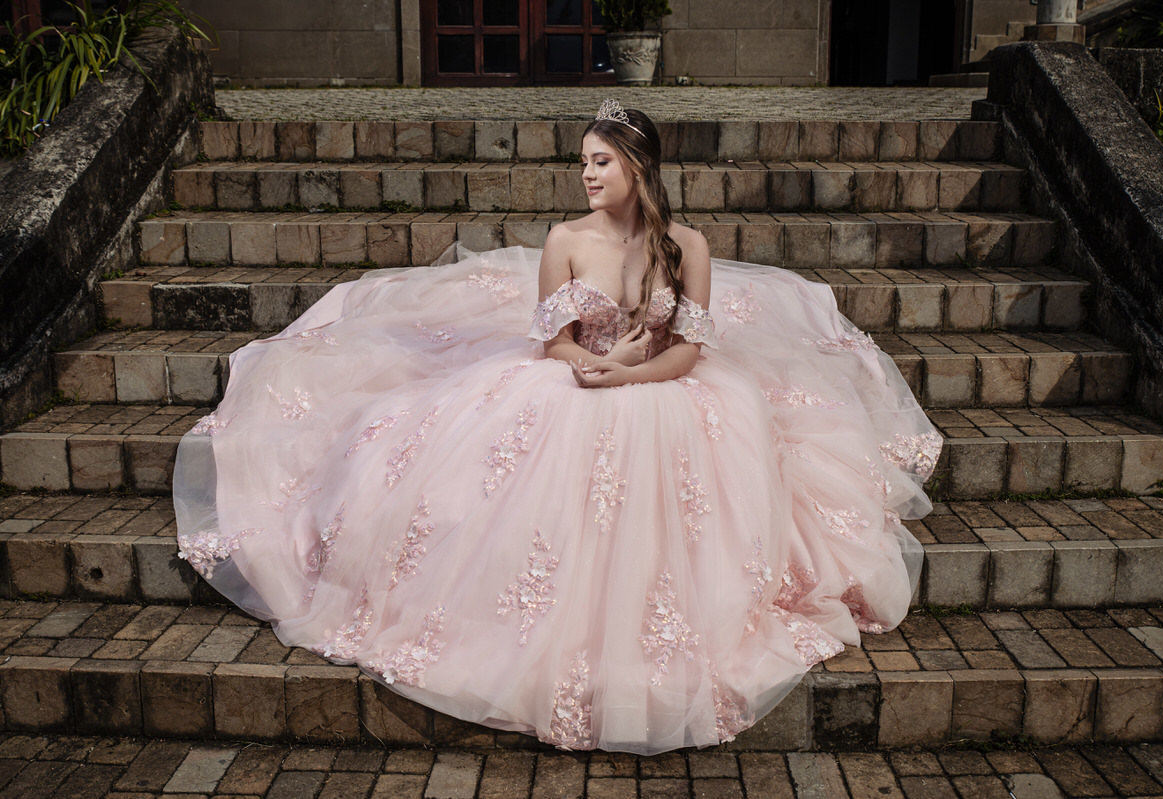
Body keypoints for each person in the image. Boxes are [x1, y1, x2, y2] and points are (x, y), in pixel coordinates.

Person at [173, 100, 943, 755]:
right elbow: (553, 343)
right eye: (583, 163)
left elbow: (690, 352)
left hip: (667, 388)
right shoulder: (565, 241)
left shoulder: (689, 248)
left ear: (637, 167)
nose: (588, 175)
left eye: (601, 162)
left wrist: (632, 372)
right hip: (575, 379)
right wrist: (592, 364)